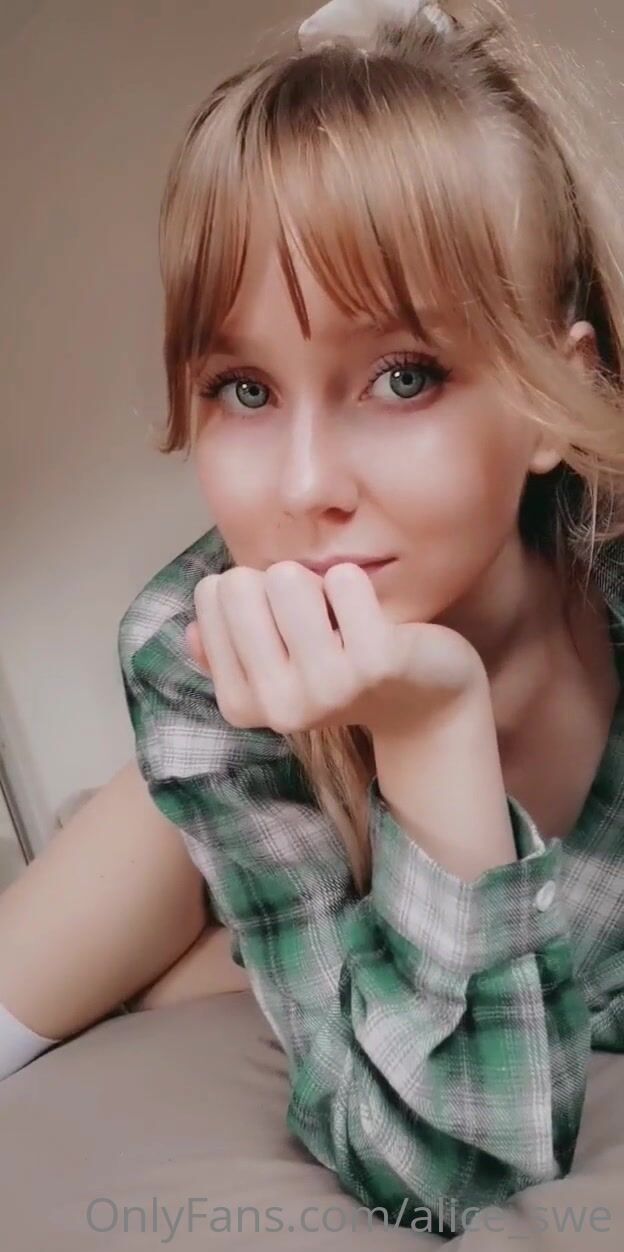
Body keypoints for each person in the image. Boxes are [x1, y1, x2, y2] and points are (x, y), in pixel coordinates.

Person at [2, 0, 624, 1233]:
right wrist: (431, 735)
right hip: (254, 774)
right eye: (243, 387)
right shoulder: (195, 659)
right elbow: (444, 1174)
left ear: (558, 396)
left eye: (405, 376)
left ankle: (209, 932)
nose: (302, 488)